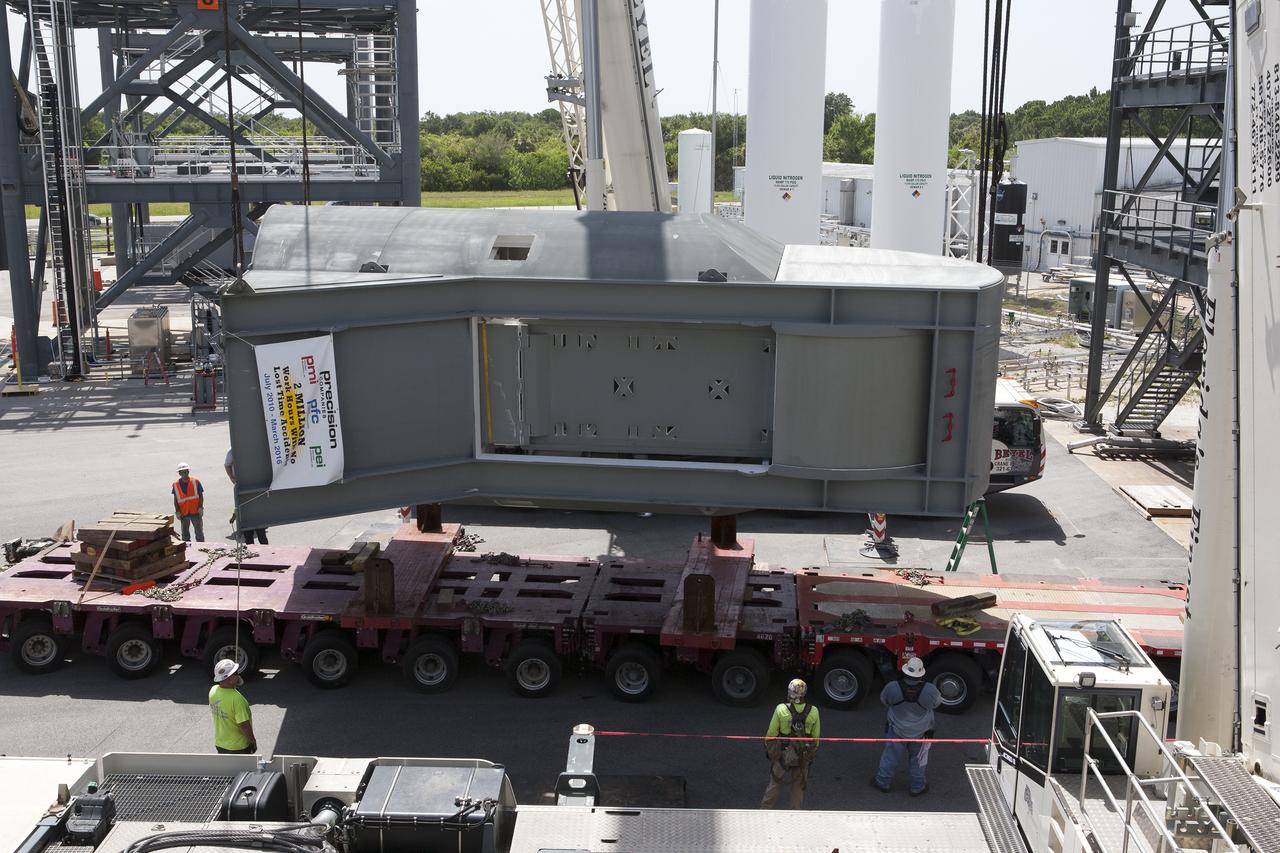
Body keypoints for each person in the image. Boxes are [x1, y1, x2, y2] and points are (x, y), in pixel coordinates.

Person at [872, 657, 941, 796]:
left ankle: (882, 782)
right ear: (921, 674)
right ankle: (918, 786)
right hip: (922, 732)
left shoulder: (892, 687)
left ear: (905, 672)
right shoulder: (931, 690)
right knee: (919, 760)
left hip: (896, 730)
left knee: (890, 757)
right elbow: (937, 704)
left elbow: (884, 701)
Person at [761, 678, 820, 809]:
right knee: (798, 788)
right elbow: (815, 738)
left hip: (783, 753)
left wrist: (769, 751)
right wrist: (811, 755)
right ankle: (795, 815)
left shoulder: (781, 709)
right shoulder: (814, 711)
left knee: (774, 784)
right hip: (802, 755)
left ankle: (764, 811)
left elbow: (771, 733)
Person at [209, 658, 256, 755]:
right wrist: (253, 741)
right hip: (238, 747)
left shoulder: (213, 691)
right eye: (236, 673)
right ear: (229, 678)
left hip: (220, 744)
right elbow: (244, 726)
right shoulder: (237, 699)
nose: (238, 675)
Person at [224, 447, 268, 544]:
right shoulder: (232, 451)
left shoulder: (254, 446)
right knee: (249, 536)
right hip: (248, 515)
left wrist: (234, 516)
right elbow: (227, 465)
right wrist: (232, 478)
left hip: (256, 514)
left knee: (261, 535)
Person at [172, 463, 204, 542]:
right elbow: (176, 499)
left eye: (186, 472)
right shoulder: (176, 485)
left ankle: (202, 549)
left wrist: (200, 507)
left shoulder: (195, 482)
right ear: (179, 473)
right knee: (185, 535)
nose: (185, 474)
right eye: (183, 472)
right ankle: (187, 551)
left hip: (195, 512)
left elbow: (201, 496)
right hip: (184, 513)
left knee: (199, 534)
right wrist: (177, 511)